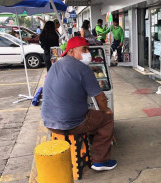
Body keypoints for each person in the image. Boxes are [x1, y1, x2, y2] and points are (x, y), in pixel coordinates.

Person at [41, 36, 117, 171]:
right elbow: (100, 97)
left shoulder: (56, 65)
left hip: (48, 122)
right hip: (71, 124)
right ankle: (101, 161)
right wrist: (105, 110)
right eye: (84, 49)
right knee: (106, 120)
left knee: (93, 116)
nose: (88, 53)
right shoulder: (83, 69)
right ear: (71, 52)